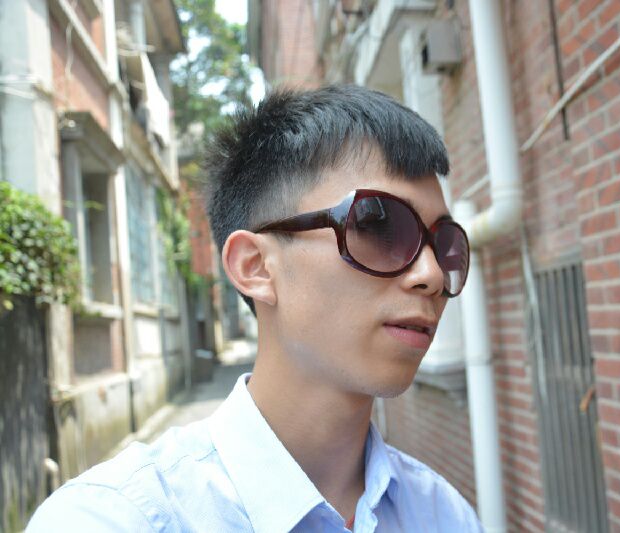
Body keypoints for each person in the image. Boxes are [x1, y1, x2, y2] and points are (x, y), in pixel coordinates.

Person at [28, 85, 482, 532]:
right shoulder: (118, 517)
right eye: (378, 223)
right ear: (256, 267)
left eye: (444, 245)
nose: (432, 275)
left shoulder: (445, 515)